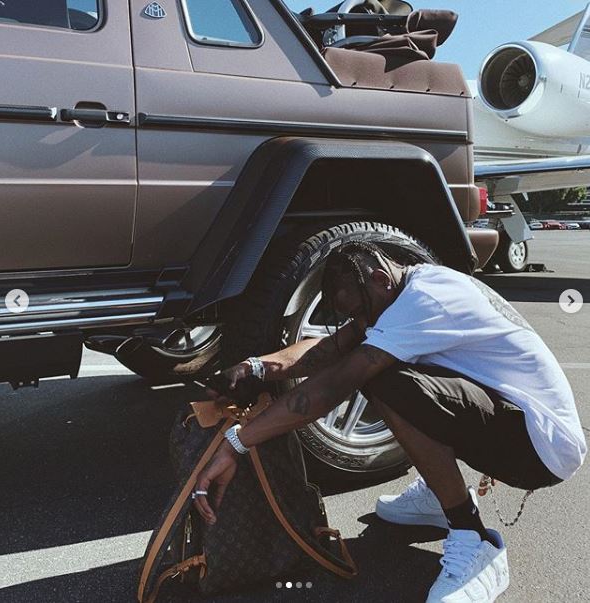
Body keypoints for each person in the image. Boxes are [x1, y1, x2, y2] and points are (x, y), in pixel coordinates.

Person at [192, 241, 586, 603]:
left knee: (381, 378)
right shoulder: (400, 289)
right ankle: (441, 491)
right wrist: (253, 369)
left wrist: (237, 442)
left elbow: (331, 386)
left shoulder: (424, 300)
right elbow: (330, 348)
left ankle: (474, 538)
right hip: (514, 419)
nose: (360, 322)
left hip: (540, 446)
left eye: (360, 312)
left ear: (379, 279)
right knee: (381, 363)